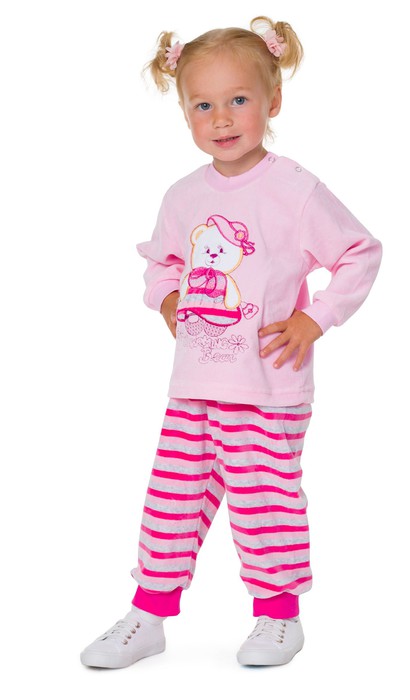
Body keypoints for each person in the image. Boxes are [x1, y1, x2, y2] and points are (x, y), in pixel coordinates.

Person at [80, 15, 382, 669]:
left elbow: (359, 251)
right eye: (203, 105)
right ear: (186, 113)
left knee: (264, 503)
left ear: (273, 100)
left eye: (238, 99)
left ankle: (278, 617)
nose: (221, 119)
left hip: (268, 385)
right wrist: (166, 297)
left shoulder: (294, 189)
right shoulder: (183, 196)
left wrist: (316, 318)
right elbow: (162, 263)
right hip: (195, 384)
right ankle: (148, 614)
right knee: (170, 502)